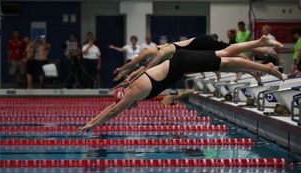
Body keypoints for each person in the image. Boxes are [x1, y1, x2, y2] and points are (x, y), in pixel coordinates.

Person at [78, 36, 283, 132]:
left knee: (225, 60)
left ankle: (265, 64)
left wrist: (93, 125)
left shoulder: (135, 92)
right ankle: (260, 57)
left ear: (125, 98)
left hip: (182, 60)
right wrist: (91, 122)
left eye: (124, 103)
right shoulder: (132, 88)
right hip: (181, 61)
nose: (126, 107)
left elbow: (114, 111)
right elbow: (111, 108)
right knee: (224, 58)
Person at [114, 34, 277, 84]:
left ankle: (260, 48)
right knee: (224, 58)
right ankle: (252, 70)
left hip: (199, 43)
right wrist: (127, 75)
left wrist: (125, 73)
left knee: (230, 50)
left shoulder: (157, 52)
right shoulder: (159, 53)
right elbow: (141, 68)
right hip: (196, 47)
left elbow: (143, 67)